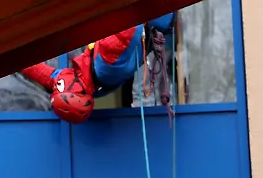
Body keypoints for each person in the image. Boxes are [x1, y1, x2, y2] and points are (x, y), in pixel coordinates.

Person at [20, 14, 176, 124]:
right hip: (156, 9)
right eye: (59, 85)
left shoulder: (85, 79)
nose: (57, 80)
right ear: (76, 89)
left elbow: (43, 74)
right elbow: (128, 21)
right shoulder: (106, 63)